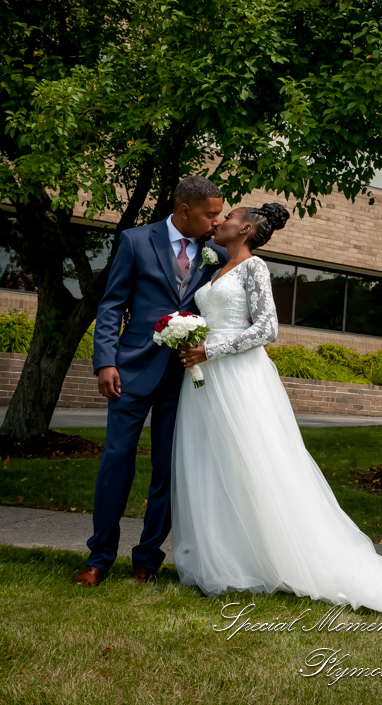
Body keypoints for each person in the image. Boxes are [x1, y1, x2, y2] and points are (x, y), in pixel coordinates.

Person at [172, 203, 382, 630]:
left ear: (245, 230)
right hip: (205, 378)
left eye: (228, 217)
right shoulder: (216, 269)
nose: (220, 222)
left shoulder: (255, 267)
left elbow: (267, 329)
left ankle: (271, 557)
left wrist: (211, 348)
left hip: (238, 376)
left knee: (253, 465)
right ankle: (221, 556)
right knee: (210, 464)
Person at [71, 176, 228, 587]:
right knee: (116, 461)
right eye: (211, 214)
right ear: (183, 211)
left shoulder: (218, 253)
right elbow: (112, 305)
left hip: (184, 378)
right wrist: (105, 361)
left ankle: (148, 559)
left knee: (168, 470)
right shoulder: (136, 241)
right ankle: (99, 557)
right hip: (131, 371)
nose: (218, 220)